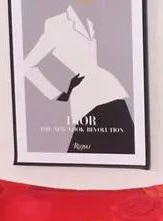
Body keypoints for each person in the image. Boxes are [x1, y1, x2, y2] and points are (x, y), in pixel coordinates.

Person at [23, 3, 135, 155]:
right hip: (86, 98)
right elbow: (27, 66)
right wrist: (57, 94)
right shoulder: (56, 24)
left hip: (109, 89)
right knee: (90, 151)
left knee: (125, 146)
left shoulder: (91, 21)